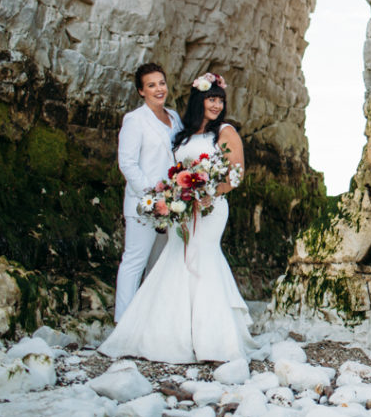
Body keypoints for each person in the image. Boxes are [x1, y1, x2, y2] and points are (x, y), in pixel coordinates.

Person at [98, 72, 256, 363]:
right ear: (199, 99)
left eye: (220, 101)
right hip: (181, 209)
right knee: (174, 261)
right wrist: (176, 196)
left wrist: (211, 191)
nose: (216, 106)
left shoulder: (226, 132)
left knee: (203, 258)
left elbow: (236, 174)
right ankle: (167, 334)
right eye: (211, 99)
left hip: (209, 209)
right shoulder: (184, 132)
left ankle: (213, 339)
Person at [114, 63, 182, 323]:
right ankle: (123, 323)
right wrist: (152, 196)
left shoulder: (175, 118)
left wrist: (174, 196)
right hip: (143, 204)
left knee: (159, 265)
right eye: (151, 85)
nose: (158, 89)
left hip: (172, 206)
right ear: (141, 91)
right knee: (134, 262)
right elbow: (127, 164)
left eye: (161, 83)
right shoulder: (135, 120)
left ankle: (149, 324)